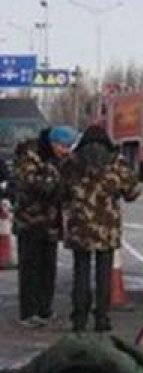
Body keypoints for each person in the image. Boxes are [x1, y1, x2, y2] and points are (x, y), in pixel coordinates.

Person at [60, 125, 141, 333]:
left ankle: (79, 319)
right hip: (107, 226)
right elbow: (132, 192)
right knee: (104, 274)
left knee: (81, 272)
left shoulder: (71, 162)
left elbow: (60, 192)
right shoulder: (116, 163)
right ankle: (102, 318)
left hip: (79, 226)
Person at [12, 128, 68, 327]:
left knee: (48, 267)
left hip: (50, 222)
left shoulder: (54, 160)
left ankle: (45, 309)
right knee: (30, 268)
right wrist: (58, 180)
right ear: (52, 143)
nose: (65, 151)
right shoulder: (28, 158)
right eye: (62, 146)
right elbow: (37, 187)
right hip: (30, 221)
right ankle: (28, 312)